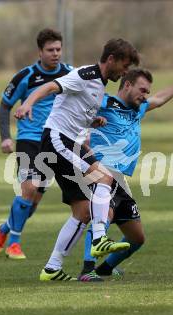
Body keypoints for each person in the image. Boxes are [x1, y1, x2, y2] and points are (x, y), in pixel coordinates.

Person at [15, 38, 140, 281]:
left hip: (69, 142)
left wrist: (92, 121)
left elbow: (73, 109)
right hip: (57, 140)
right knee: (104, 177)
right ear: (111, 59)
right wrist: (28, 102)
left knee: (82, 211)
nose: (125, 73)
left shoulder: (100, 83)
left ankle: (52, 268)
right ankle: (99, 238)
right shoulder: (85, 74)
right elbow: (51, 87)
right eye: (124, 66)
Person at [78, 63, 173, 282]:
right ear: (128, 85)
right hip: (101, 171)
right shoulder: (103, 102)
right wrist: (85, 137)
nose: (146, 95)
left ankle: (104, 269)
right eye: (142, 90)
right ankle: (87, 270)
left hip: (121, 177)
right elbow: (77, 114)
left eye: (147, 91)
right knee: (103, 218)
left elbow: (160, 98)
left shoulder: (137, 108)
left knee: (137, 238)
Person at [0, 28, 72, 260]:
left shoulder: (69, 73)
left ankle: (5, 228)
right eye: (50, 50)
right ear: (40, 51)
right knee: (29, 188)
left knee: (33, 202)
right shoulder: (25, 76)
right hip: (29, 138)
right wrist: (6, 136)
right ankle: (14, 244)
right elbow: (5, 105)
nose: (55, 53)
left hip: (54, 140)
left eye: (58, 49)